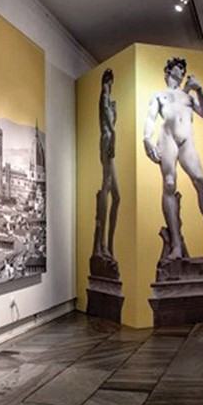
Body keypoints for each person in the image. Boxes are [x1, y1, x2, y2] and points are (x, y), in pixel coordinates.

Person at [144, 57, 203, 266]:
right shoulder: (159, 95)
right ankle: (176, 244)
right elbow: (150, 118)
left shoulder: (188, 97)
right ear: (169, 70)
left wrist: (199, 90)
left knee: (201, 181)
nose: (182, 71)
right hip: (167, 139)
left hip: (186, 141)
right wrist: (146, 139)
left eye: (184, 69)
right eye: (179, 67)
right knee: (169, 184)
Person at [91, 69, 120, 264]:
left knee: (116, 196)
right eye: (108, 82)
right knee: (107, 187)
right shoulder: (104, 97)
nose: (108, 85)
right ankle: (102, 243)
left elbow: (111, 122)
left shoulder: (108, 99)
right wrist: (113, 142)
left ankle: (108, 244)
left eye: (109, 82)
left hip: (108, 140)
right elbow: (110, 127)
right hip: (107, 140)